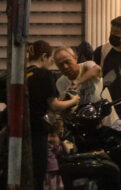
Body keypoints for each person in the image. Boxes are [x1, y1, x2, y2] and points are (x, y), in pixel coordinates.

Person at [26, 41, 79, 190]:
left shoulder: (23, 73)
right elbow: (54, 105)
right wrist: (74, 100)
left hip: (22, 130)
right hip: (38, 131)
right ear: (44, 56)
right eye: (51, 60)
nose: (51, 64)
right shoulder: (44, 74)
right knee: (39, 172)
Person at [53, 46, 115, 121]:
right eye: (60, 65)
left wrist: (77, 82)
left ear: (75, 58)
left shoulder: (87, 65)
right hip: (83, 120)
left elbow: (97, 69)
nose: (65, 67)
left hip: (104, 117)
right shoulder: (60, 82)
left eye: (67, 62)